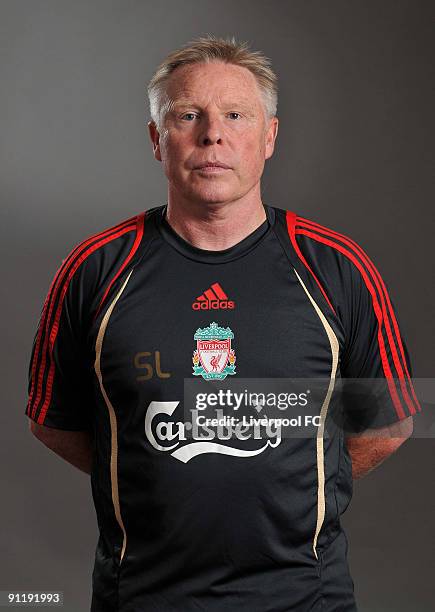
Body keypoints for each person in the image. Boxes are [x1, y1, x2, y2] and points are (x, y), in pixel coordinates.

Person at [25, 35, 421, 611]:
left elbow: (387, 423)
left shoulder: (338, 268)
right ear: (157, 140)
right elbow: (54, 421)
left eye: (236, 115)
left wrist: (296, 485)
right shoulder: (94, 270)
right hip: (140, 598)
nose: (213, 134)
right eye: (188, 115)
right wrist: (152, 467)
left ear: (269, 137)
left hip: (303, 598)